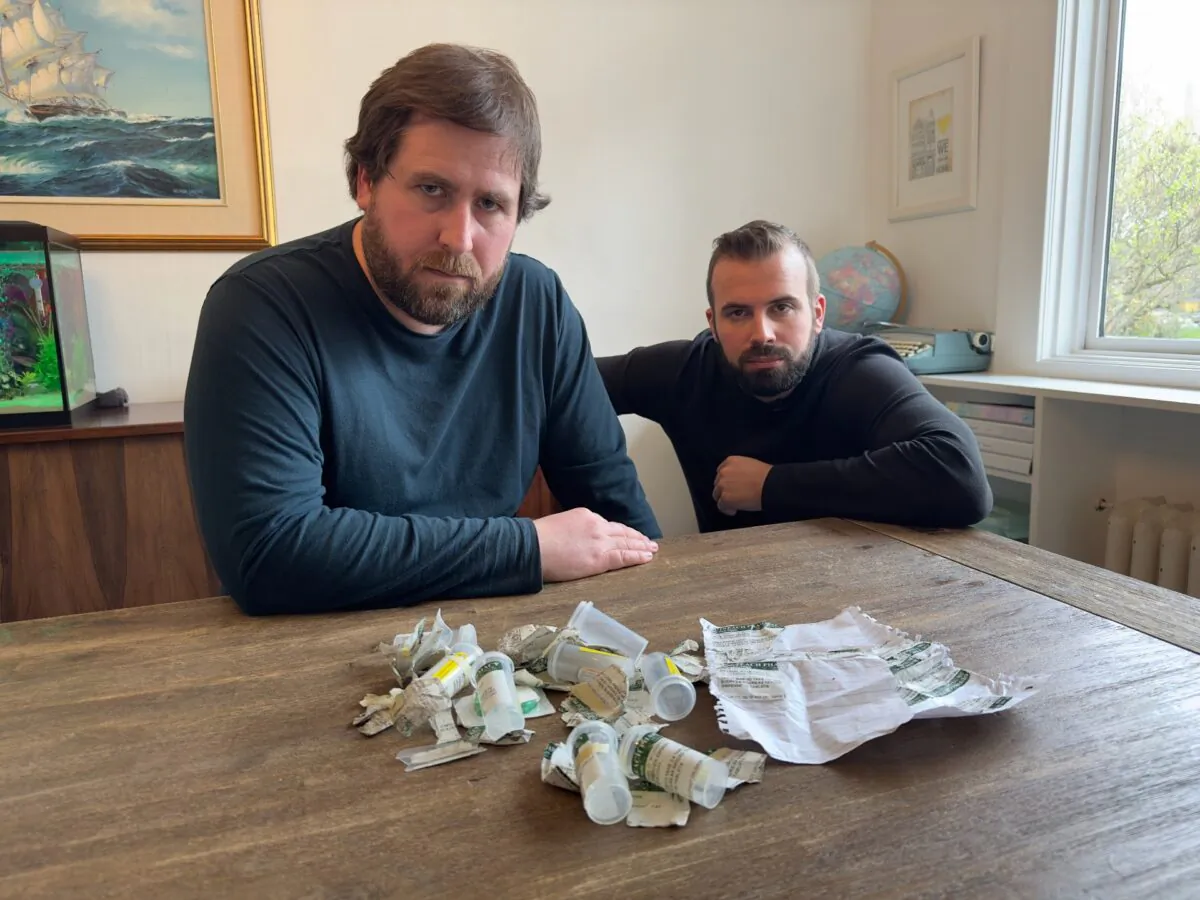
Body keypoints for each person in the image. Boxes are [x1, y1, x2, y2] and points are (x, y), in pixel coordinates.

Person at [183, 43, 661, 616]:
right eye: (432, 190)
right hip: (309, 648)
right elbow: (270, 555)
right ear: (364, 181)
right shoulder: (262, 306)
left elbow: (621, 521)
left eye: (491, 204)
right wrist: (528, 546)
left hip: (493, 654)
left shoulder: (538, 304)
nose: (459, 238)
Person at [595, 220, 992, 534]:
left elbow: (963, 478)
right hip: (731, 603)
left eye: (782, 307)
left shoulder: (860, 370)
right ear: (712, 323)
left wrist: (772, 486)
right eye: (737, 313)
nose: (762, 333)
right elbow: (555, 383)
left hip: (861, 602)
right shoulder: (685, 371)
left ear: (818, 313)